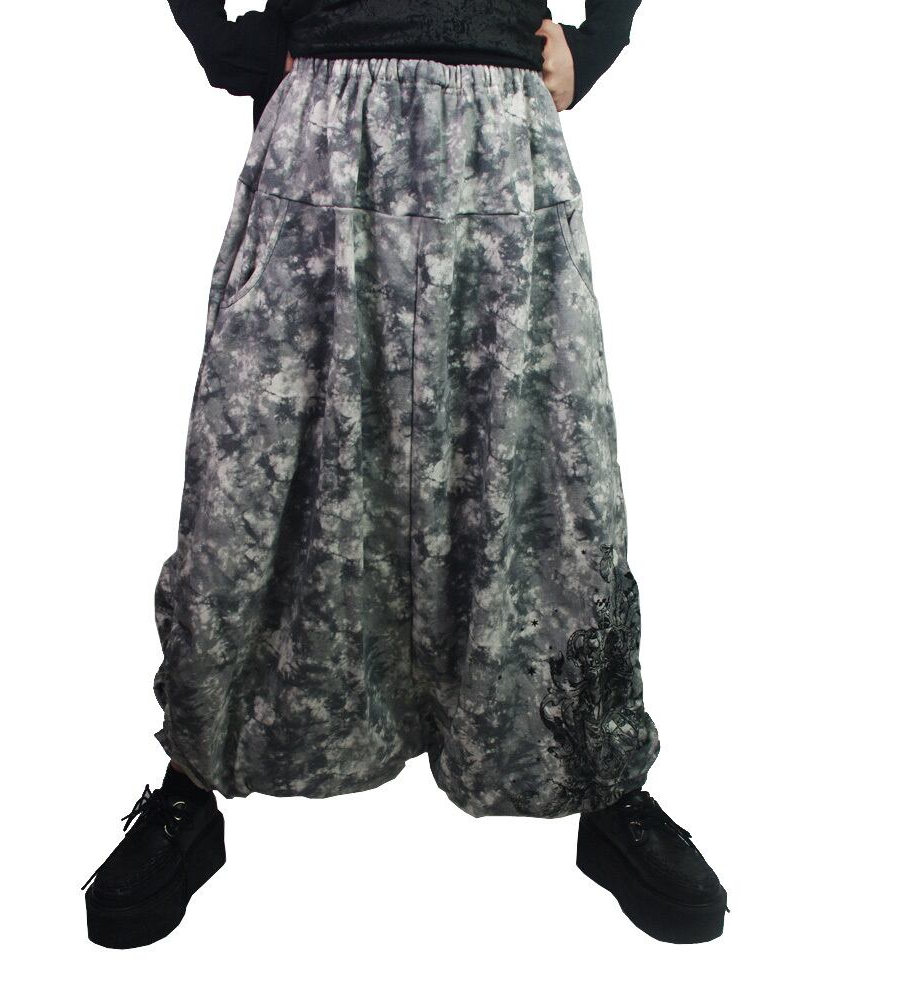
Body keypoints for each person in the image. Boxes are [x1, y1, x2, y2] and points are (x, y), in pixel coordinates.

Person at [82, 1, 728, 949]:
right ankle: (192, 775)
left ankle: (601, 775)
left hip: (500, 122)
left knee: (551, 474)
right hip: (326, 118)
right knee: (251, 476)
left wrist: (602, 39)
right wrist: (222, 39)